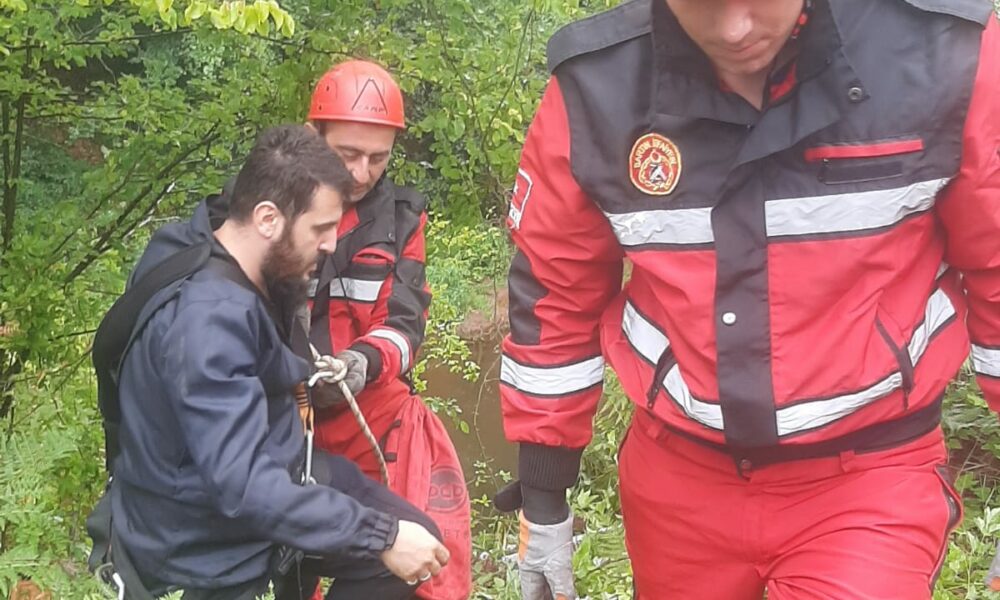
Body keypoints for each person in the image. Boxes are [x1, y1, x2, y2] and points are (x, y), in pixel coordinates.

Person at [496, 0, 1000, 598]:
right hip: (678, 483)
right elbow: (557, 295)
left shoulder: (948, 56)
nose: (735, 29)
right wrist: (543, 496)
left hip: (871, 472)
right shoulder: (596, 89)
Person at [92, 124, 449, 599]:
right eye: (320, 229)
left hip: (260, 472)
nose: (331, 244)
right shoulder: (209, 323)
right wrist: (380, 536)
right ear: (266, 218)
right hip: (202, 534)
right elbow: (242, 487)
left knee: (419, 539)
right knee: (396, 549)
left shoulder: (213, 247)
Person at [303, 60, 472, 600]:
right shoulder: (271, 210)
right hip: (287, 421)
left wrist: (360, 363)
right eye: (347, 154)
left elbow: (404, 322)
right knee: (292, 561)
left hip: (373, 421)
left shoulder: (400, 220)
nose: (361, 173)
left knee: (415, 554)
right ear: (312, 136)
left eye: (377, 158)